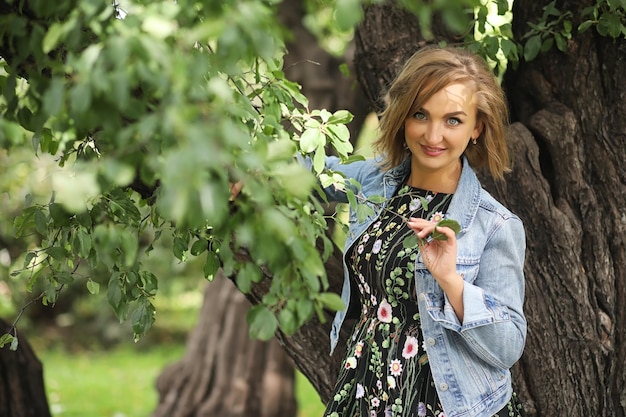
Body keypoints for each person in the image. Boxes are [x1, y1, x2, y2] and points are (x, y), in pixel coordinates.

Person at [315, 46, 527, 417]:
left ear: (477, 127)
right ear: (403, 117)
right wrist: (247, 172)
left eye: (453, 121)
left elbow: (509, 345)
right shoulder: (374, 183)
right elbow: (313, 172)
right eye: (420, 114)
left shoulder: (494, 225)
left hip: (444, 403)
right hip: (365, 392)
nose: (433, 135)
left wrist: (451, 282)